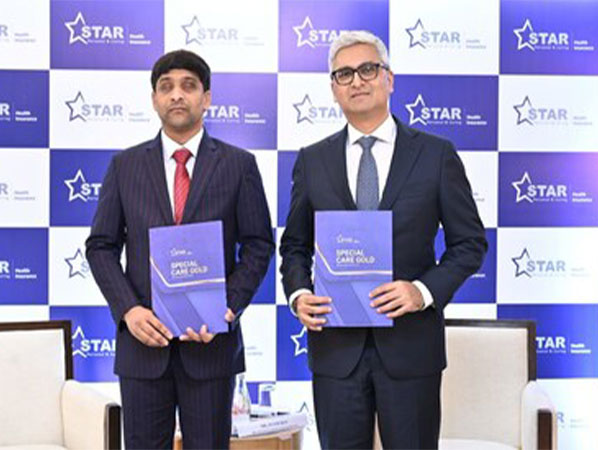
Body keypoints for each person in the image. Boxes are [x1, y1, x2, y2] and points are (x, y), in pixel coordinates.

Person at [280, 31, 487, 449]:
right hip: (336, 351)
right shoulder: (312, 159)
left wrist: (422, 291)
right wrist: (299, 294)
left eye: (368, 69)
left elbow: (470, 243)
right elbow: (294, 246)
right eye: (344, 74)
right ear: (333, 89)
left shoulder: (436, 154)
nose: (357, 81)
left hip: (410, 349)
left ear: (389, 79)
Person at [86, 49, 274, 449]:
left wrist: (229, 306)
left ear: (206, 97)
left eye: (189, 86)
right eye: (166, 87)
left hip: (210, 347)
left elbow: (258, 245)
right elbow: (101, 246)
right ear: (154, 98)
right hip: (142, 347)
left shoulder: (239, 165)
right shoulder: (125, 166)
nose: (177, 95)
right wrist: (129, 310)